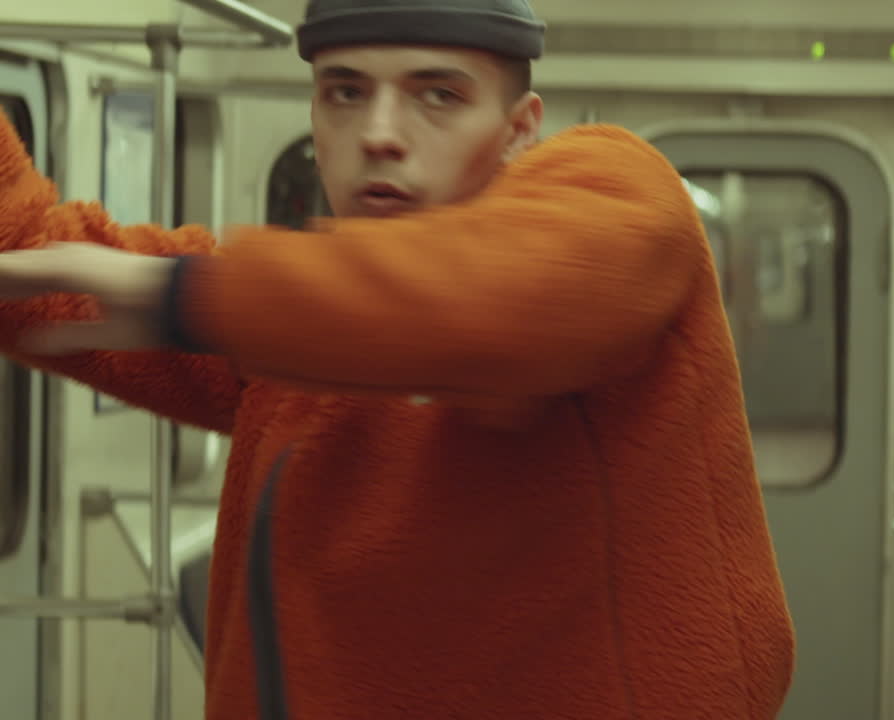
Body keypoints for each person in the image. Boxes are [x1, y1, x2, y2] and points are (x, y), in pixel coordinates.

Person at [0, 0, 795, 718]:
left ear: (520, 129)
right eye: (345, 92)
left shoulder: (621, 193)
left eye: (437, 95)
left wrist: (186, 298)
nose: (379, 132)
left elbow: (505, 304)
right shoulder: (289, 332)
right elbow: (28, 255)